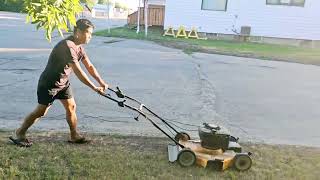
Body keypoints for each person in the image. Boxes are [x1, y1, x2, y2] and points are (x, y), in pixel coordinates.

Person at [9, 19, 108, 147]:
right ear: (78, 32)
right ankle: (20, 132)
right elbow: (78, 72)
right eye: (88, 33)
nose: (90, 36)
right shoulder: (67, 46)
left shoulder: (79, 47)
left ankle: (74, 135)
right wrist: (94, 87)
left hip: (63, 83)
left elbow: (89, 66)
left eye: (91, 34)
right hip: (49, 83)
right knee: (41, 112)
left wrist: (101, 82)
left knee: (71, 107)